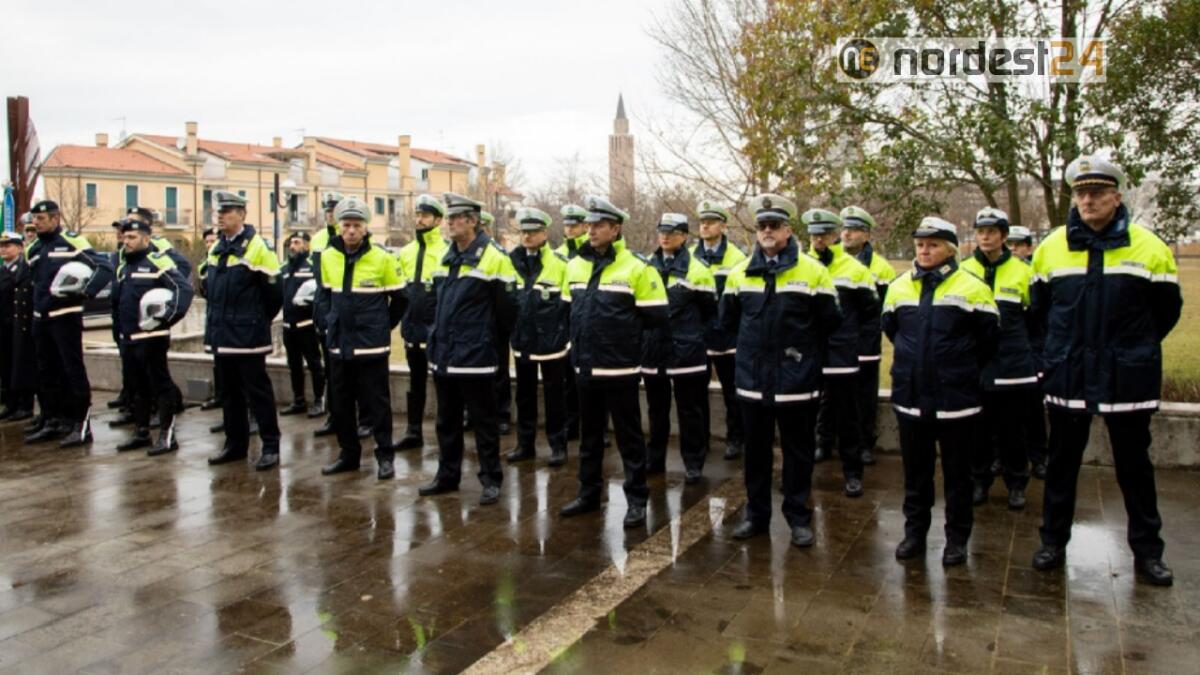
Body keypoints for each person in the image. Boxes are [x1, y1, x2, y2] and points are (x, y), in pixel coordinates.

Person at [1030, 156, 1182, 586]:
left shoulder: (1149, 247)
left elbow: (1165, 314)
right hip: (1068, 377)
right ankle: (1052, 543)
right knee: (1061, 467)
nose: (1088, 199)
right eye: (1081, 192)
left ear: (1117, 196)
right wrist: (1052, 357)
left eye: (1098, 192)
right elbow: (1037, 315)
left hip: (1126, 379)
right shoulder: (1051, 247)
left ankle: (1149, 553)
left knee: (1135, 469)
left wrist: (1134, 350)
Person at [720, 194, 841, 548]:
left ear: (788, 230)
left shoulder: (813, 272)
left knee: (798, 455)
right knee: (755, 456)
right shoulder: (739, 272)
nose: (768, 231)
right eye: (762, 226)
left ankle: (799, 518)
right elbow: (727, 322)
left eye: (775, 225)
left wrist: (801, 356)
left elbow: (830, 321)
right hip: (753, 383)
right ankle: (756, 517)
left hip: (796, 383)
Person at [884, 217, 998, 566]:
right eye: (920, 244)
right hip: (911, 397)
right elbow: (891, 330)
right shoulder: (899, 286)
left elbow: (989, 341)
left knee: (957, 477)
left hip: (956, 401)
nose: (924, 249)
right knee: (915, 475)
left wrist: (957, 370)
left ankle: (956, 540)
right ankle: (914, 534)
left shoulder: (973, 287)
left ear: (950, 248)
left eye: (932, 244)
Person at [558, 195, 668, 528]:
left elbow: (657, 316)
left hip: (619, 368)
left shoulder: (637, 267)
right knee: (589, 436)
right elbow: (568, 312)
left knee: (629, 438)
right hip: (585, 367)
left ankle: (637, 500)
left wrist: (622, 337)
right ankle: (588, 494)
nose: (590, 230)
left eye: (598, 225)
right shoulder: (575, 265)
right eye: (589, 224)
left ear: (615, 228)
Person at [418, 193, 517, 506]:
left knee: (484, 423)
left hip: (476, 357)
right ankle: (447, 476)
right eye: (447, 218)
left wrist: (485, 340)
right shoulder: (445, 256)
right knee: (446, 421)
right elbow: (435, 304)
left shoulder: (495, 257)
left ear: (472, 221)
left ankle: (491, 479)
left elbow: (507, 312)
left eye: (454, 218)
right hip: (445, 354)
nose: (448, 223)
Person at [314, 197, 406, 480]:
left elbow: (401, 299)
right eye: (346, 225)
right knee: (340, 403)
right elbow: (325, 295)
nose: (351, 231)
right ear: (339, 228)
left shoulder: (383, 258)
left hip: (371, 346)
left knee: (377, 403)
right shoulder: (329, 256)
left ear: (366, 229)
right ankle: (348, 454)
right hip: (339, 344)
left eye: (356, 225)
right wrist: (329, 324)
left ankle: (385, 456)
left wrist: (382, 326)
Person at [960, 207, 1038, 511]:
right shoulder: (964, 269)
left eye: (991, 232)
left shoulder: (1023, 271)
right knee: (977, 430)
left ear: (1004, 236)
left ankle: (1017, 483)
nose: (985, 237)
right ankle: (980, 480)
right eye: (980, 232)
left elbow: (1037, 320)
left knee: (1012, 431)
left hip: (1012, 365)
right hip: (976, 364)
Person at [203, 190, 283, 471]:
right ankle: (235, 445)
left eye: (227, 212)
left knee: (258, 393)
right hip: (222, 335)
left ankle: (271, 446)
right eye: (219, 212)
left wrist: (255, 320)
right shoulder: (217, 247)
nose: (221, 217)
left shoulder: (259, 247)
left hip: (248, 337)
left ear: (242, 215)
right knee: (229, 394)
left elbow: (274, 294)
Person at [24, 200, 114, 446]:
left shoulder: (73, 242)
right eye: (35, 219)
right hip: (41, 319)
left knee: (71, 370)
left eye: (42, 219)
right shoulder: (32, 249)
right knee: (47, 372)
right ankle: (54, 420)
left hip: (65, 317)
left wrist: (86, 291)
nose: (37, 223)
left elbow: (103, 267)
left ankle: (80, 425)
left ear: (55, 219)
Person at [805, 208, 877, 497]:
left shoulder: (855, 269)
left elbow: (870, 313)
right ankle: (801, 474)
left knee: (849, 418)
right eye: (814, 233)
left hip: (841, 355)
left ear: (835, 234)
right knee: (804, 418)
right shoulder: (799, 265)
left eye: (825, 233)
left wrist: (852, 343)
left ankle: (853, 474)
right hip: (808, 356)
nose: (819, 238)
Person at [642, 212, 717, 483]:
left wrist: (692, 336)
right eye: (662, 230)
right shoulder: (646, 265)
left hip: (686, 350)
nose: (665, 236)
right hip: (653, 350)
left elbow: (710, 311)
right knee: (656, 410)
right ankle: (655, 459)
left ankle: (693, 462)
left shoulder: (697, 268)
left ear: (684, 236)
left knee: (690, 410)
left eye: (672, 232)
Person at [112, 218, 193, 455]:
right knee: (137, 388)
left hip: (152, 337)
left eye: (132, 237)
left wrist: (168, 317)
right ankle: (141, 432)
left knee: (160, 384)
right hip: (129, 337)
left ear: (146, 239)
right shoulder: (123, 266)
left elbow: (183, 289)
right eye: (124, 237)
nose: (126, 241)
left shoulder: (158, 261)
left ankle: (167, 436)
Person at [505, 207, 571, 467]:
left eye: (533, 232)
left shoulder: (560, 264)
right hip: (522, 342)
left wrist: (563, 336)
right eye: (523, 232)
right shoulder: (510, 262)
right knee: (524, 396)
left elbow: (568, 306)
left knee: (556, 397)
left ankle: (558, 445)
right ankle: (525, 444)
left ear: (544, 233)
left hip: (552, 344)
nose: (527, 237)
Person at [838, 205, 895, 466]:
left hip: (864, 343)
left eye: (853, 229)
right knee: (834, 396)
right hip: (835, 343)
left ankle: (864, 443)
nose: (846, 234)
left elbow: (884, 309)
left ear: (866, 234)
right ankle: (829, 440)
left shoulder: (881, 269)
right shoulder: (829, 260)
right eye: (844, 228)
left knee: (864, 396)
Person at [690, 200, 747, 461]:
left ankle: (736, 438)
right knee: (696, 393)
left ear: (723, 226)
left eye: (710, 222)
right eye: (702, 222)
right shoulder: (689, 255)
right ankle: (700, 440)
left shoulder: (737, 257)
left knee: (732, 391)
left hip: (727, 335)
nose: (704, 226)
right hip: (698, 336)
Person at [394, 194, 449, 450]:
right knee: (415, 383)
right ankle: (413, 431)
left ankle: (446, 434)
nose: (419, 219)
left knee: (444, 385)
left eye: (425, 215)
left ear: (438, 220)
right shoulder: (406, 252)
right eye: (417, 214)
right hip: (412, 330)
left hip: (438, 332)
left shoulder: (447, 252)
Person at [1007, 224, 1048, 479]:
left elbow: (1041, 320)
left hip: (1032, 354)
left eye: (1018, 244)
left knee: (1033, 412)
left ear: (1028, 247)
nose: (1012, 249)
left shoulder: (1033, 274)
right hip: (1005, 356)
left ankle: (1039, 457)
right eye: (1009, 244)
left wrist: (1039, 357)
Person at [278, 232, 325, 417]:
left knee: (314, 364)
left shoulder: (313, 267)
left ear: (306, 245)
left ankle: (320, 400)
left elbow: (320, 294)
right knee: (294, 364)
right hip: (289, 326)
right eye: (291, 243)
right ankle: (298, 400)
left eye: (297, 243)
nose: (292, 246)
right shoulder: (284, 268)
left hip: (307, 325)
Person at [555, 204, 590, 444]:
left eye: (574, 225)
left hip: (589, 324)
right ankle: (571, 424)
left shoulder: (592, 251)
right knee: (567, 380)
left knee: (591, 382)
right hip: (567, 324)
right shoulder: (558, 254)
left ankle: (591, 424)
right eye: (566, 225)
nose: (569, 230)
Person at [311, 193, 344, 437]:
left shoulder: (350, 235)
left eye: (333, 209)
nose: (329, 213)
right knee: (331, 370)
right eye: (327, 210)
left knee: (352, 372)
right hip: (326, 311)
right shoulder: (319, 240)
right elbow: (320, 282)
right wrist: (321, 315)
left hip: (346, 311)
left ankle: (360, 418)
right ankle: (334, 416)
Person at [0, 230, 34, 421]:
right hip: (4, 327)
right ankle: (10, 404)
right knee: (6, 366)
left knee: (21, 366)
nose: (3, 249)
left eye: (8, 245)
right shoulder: (3, 270)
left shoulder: (23, 270)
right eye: (1, 246)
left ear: (20, 248)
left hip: (18, 326)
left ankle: (24, 405)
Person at [196, 227, 224, 411]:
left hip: (229, 320)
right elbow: (203, 290)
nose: (209, 244)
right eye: (207, 242)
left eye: (213, 241)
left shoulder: (225, 261)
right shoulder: (204, 265)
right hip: (213, 318)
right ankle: (220, 397)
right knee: (218, 362)